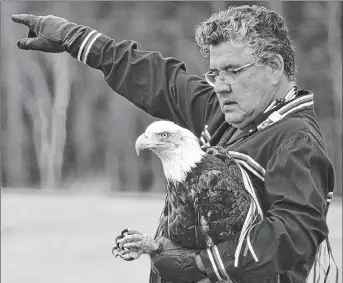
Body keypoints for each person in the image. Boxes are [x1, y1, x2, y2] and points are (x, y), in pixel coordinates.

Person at [11, 4, 336, 283]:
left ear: (274, 67)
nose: (221, 86)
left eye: (232, 71)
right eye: (214, 74)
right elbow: (158, 79)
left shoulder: (296, 139)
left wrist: (197, 264)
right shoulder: (223, 111)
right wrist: (75, 37)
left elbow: (294, 235)